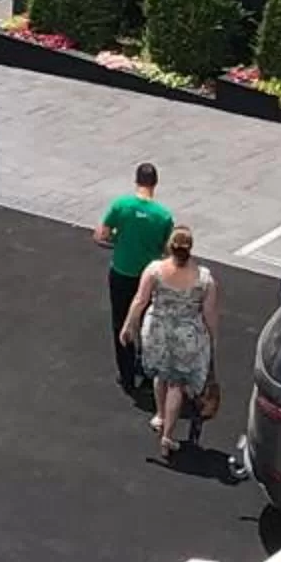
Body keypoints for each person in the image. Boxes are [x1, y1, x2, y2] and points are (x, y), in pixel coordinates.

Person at [120, 226, 221, 459]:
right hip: (186, 334)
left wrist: (128, 325)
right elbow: (210, 314)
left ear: (169, 246)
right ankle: (167, 435)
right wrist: (213, 339)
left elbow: (140, 300)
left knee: (161, 374)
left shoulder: (155, 270)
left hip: (157, 329)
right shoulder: (205, 279)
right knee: (177, 384)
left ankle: (160, 415)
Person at [96, 161, 174, 399]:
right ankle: (150, 373)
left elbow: (101, 235)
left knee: (121, 322)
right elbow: (167, 249)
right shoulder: (163, 215)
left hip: (121, 273)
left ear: (136, 181)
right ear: (155, 183)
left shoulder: (121, 206)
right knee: (149, 324)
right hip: (148, 277)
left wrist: (120, 242)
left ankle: (127, 374)